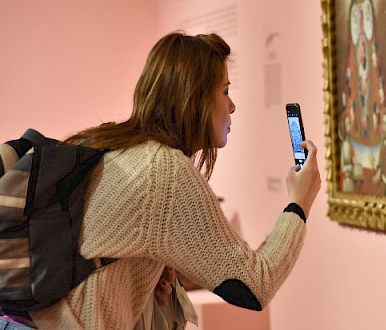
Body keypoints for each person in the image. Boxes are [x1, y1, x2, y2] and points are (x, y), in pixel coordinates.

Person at [2, 32, 321, 329]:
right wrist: (299, 203)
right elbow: (255, 286)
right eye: (225, 91)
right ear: (195, 98)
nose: (232, 105)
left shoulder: (117, 143)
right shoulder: (163, 170)